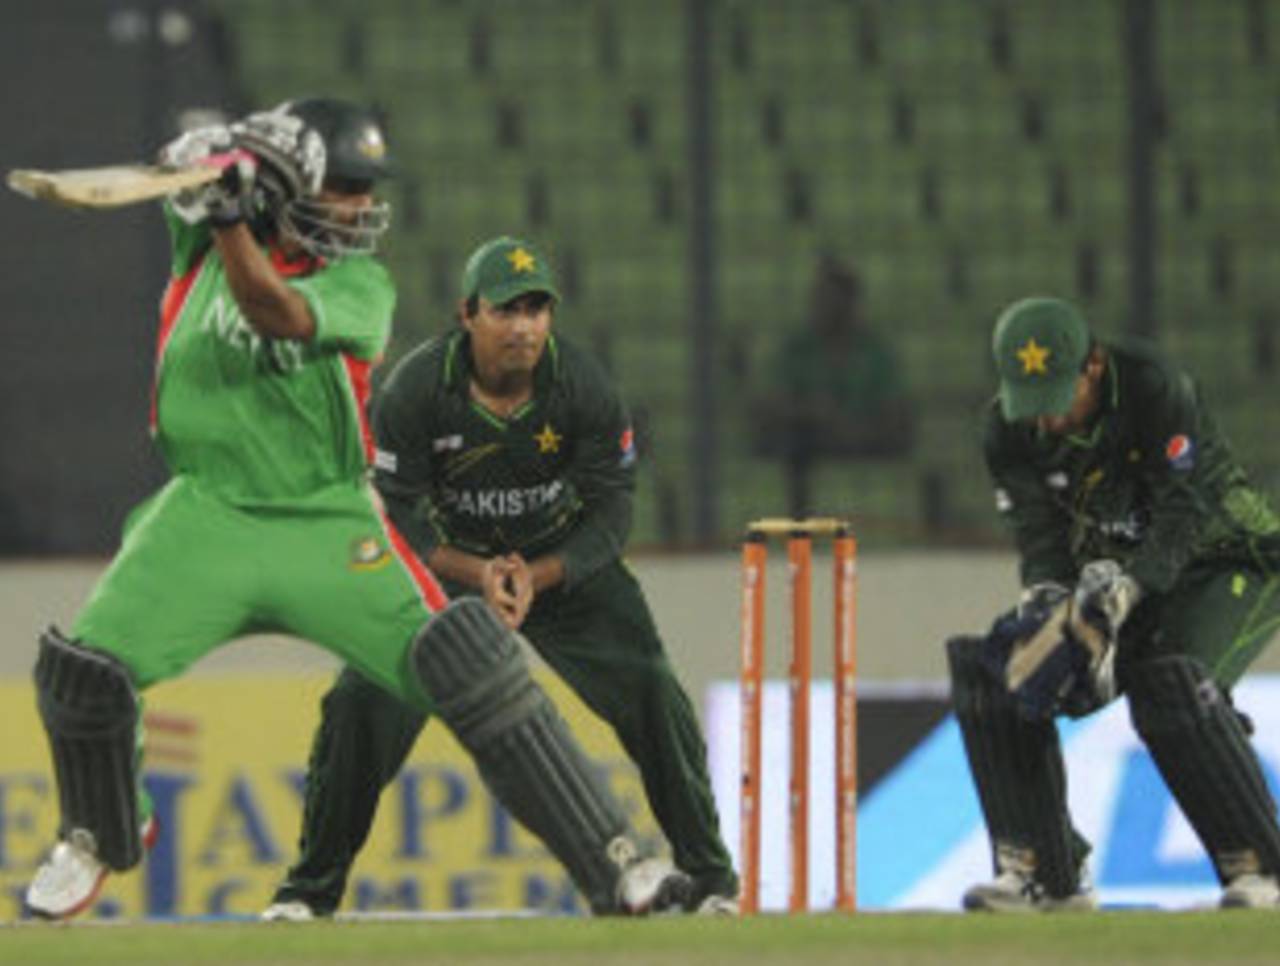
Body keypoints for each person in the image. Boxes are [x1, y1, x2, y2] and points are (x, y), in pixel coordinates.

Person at [23, 100, 684, 921]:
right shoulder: (206, 236)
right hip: (205, 514)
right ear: (285, 183)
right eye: (342, 186)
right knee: (84, 675)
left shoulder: (360, 285)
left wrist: (229, 209)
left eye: (365, 190)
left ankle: (618, 864)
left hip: (327, 522)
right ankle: (95, 836)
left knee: (469, 660)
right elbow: (183, 177)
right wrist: (203, 157)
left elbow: (275, 311)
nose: (359, 207)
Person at [262, 236, 739, 920]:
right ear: (468, 314)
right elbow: (394, 518)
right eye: (506, 310)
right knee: (359, 703)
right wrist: (477, 572)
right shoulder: (419, 389)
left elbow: (612, 510)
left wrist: (540, 574)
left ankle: (711, 881)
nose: (524, 326)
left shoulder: (584, 387)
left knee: (652, 690)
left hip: (559, 566)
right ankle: (308, 892)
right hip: (450, 573)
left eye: (538, 309)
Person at [948, 295, 1280, 911]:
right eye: (1033, 406)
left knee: (1171, 681)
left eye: (1057, 402)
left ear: (1093, 366)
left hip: (1231, 559)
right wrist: (1047, 600)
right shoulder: (1005, 429)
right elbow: (1041, 537)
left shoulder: (1156, 390)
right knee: (996, 668)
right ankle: (1044, 874)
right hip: (1122, 570)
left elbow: (1184, 515)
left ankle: (1262, 870)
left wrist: (1126, 592)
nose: (1046, 423)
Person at [750, 255, 914, 518]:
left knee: (896, 433)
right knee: (788, 440)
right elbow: (772, 401)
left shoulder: (874, 352)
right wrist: (812, 412)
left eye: (835, 299)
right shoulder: (797, 348)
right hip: (811, 438)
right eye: (821, 298)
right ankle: (800, 525)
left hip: (863, 437)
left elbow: (895, 408)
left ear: (851, 302)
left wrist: (854, 426)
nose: (827, 306)